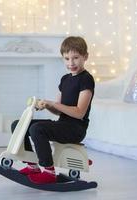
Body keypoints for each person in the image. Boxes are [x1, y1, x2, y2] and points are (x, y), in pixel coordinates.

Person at [11, 36, 95, 184]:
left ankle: (49, 171)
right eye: (67, 58)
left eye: (75, 58)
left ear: (85, 57)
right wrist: (48, 105)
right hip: (62, 124)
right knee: (19, 124)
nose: (71, 63)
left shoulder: (86, 79)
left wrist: (54, 104)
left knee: (37, 129)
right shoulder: (65, 79)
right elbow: (59, 110)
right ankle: (32, 165)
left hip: (75, 129)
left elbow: (79, 112)